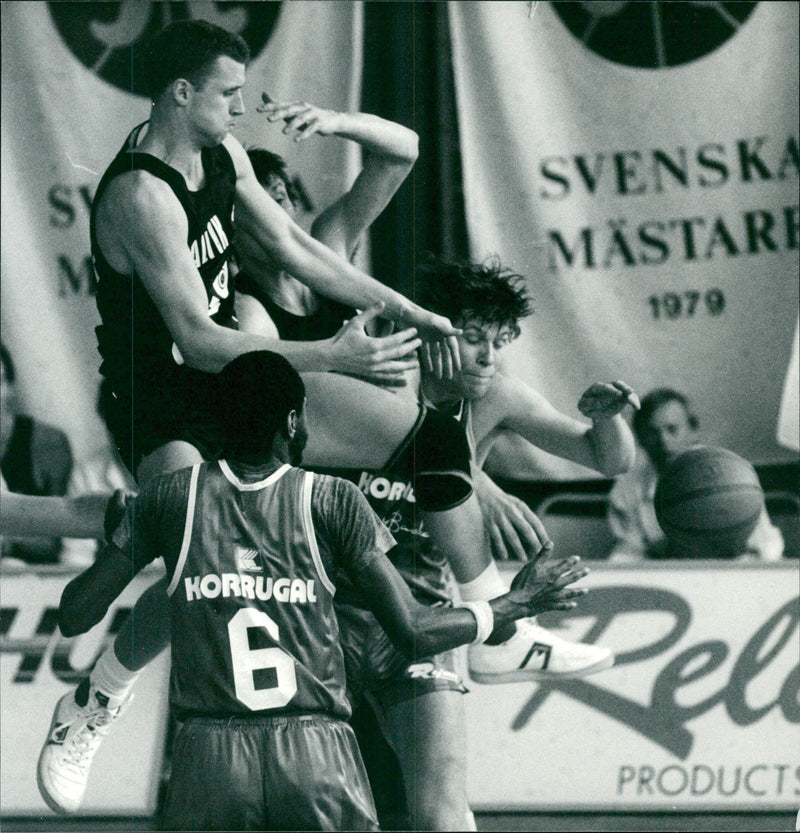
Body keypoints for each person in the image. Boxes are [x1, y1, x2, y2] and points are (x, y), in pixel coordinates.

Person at [34, 17, 469, 815]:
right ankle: (96, 698)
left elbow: (304, 253)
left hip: (238, 379)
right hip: (164, 398)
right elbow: (198, 342)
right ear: (181, 93)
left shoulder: (220, 155)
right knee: (202, 549)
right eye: (229, 94)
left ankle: (489, 607)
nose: (241, 108)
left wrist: (415, 311)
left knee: (422, 434)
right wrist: (335, 357)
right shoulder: (139, 194)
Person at [46, 351, 590, 830]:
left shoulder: (167, 498)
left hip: (207, 757)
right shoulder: (332, 500)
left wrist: (121, 534)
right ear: (292, 421)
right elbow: (415, 630)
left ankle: (95, 700)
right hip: (314, 753)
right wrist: (516, 604)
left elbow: (74, 616)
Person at [607, 387, 784, 561]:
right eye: (653, 433)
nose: (663, 440)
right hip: (669, 576)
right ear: (639, 438)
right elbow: (628, 557)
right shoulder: (626, 489)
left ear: (694, 430)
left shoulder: (733, 476)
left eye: (672, 429)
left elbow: (766, 548)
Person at [1, 342, 74, 565]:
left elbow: (60, 539)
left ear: (10, 386)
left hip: (36, 578)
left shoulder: (46, 442)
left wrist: (8, 543)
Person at [60, 380, 137, 567]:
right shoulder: (86, 475)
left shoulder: (183, 468)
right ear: (104, 417)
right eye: (117, 416)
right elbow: (75, 559)